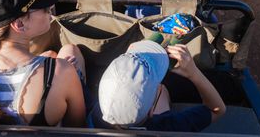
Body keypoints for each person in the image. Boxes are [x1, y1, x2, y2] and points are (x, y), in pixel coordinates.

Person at [96, 40, 225, 131]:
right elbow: (217, 109)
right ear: (152, 111)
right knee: (163, 89)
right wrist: (194, 73)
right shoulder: (168, 127)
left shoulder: (92, 120)